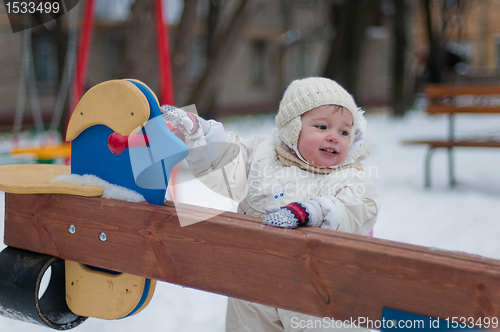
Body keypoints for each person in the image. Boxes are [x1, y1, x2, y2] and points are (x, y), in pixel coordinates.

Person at [162, 77, 379, 332]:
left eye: (344, 132)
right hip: (255, 287)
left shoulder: (350, 176)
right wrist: (200, 134)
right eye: (322, 126)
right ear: (292, 127)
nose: (334, 137)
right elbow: (227, 163)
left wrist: (313, 211)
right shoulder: (261, 157)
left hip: (319, 294)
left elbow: (358, 208)